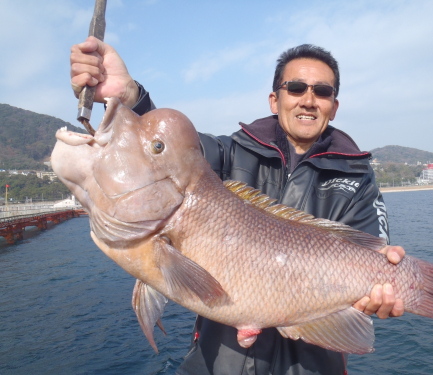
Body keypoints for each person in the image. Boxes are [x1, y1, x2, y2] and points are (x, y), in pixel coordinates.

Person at [70, 38, 405, 375]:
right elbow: (173, 157)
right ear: (275, 99)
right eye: (297, 87)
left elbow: (375, 255)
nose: (308, 100)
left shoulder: (359, 178)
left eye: (322, 92)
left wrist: (380, 293)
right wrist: (129, 95)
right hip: (216, 364)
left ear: (334, 106)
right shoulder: (231, 152)